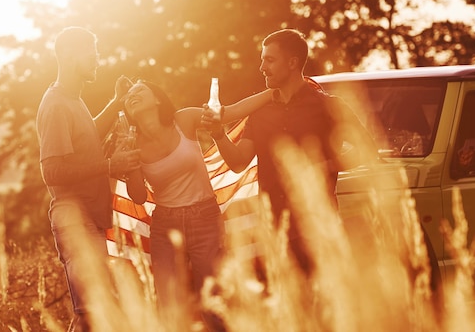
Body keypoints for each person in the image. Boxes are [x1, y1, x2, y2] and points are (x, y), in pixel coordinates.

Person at [201, 28, 378, 277]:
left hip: (319, 225)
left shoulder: (328, 105)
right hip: (274, 229)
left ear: (293, 62)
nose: (262, 67)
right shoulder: (260, 113)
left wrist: (323, 166)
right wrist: (218, 134)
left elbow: (367, 150)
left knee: (325, 308)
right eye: (262, 60)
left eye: (269, 60)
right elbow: (238, 161)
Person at [122, 79, 272, 331]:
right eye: (128, 96)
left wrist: (273, 92)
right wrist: (129, 165)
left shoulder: (184, 120)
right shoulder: (132, 143)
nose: (132, 95)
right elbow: (137, 196)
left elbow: (230, 112)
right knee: (170, 304)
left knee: (213, 296)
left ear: (157, 99)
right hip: (165, 226)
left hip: (204, 218)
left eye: (139, 90)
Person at [36, 26, 140, 332]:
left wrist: (117, 101)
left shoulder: (71, 100)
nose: (98, 59)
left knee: (94, 312)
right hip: (74, 218)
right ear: (69, 55)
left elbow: (85, 137)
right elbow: (51, 171)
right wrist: (110, 165)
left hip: (88, 218)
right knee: (91, 313)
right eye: (91, 52)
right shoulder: (56, 104)